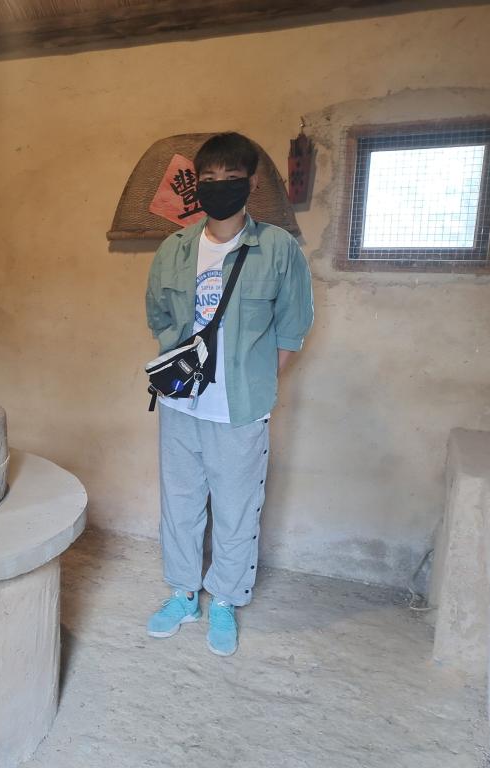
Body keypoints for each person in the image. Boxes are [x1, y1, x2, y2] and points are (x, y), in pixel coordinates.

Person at [144, 132, 314, 656]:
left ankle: (223, 599)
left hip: (240, 409)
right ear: (198, 184)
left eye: (231, 178)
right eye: (209, 179)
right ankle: (183, 593)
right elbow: (158, 316)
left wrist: (252, 381)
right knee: (180, 503)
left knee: (237, 509)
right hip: (179, 404)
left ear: (252, 183)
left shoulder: (278, 249)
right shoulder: (174, 249)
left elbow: (292, 330)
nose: (219, 187)